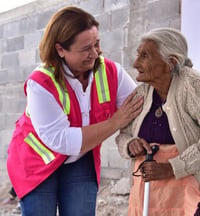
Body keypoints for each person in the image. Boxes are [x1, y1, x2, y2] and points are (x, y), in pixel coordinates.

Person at [6, 6, 143, 216]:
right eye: (85, 48)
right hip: (36, 163)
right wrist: (114, 123)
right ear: (60, 49)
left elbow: (140, 107)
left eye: (96, 44)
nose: (95, 53)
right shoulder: (40, 83)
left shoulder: (111, 72)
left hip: (79, 159)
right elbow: (62, 140)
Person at [116, 27, 200, 216]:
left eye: (145, 56)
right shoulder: (141, 93)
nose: (136, 63)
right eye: (138, 55)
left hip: (187, 190)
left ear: (171, 62)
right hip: (147, 192)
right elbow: (124, 135)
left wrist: (172, 167)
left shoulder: (192, 85)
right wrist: (131, 144)